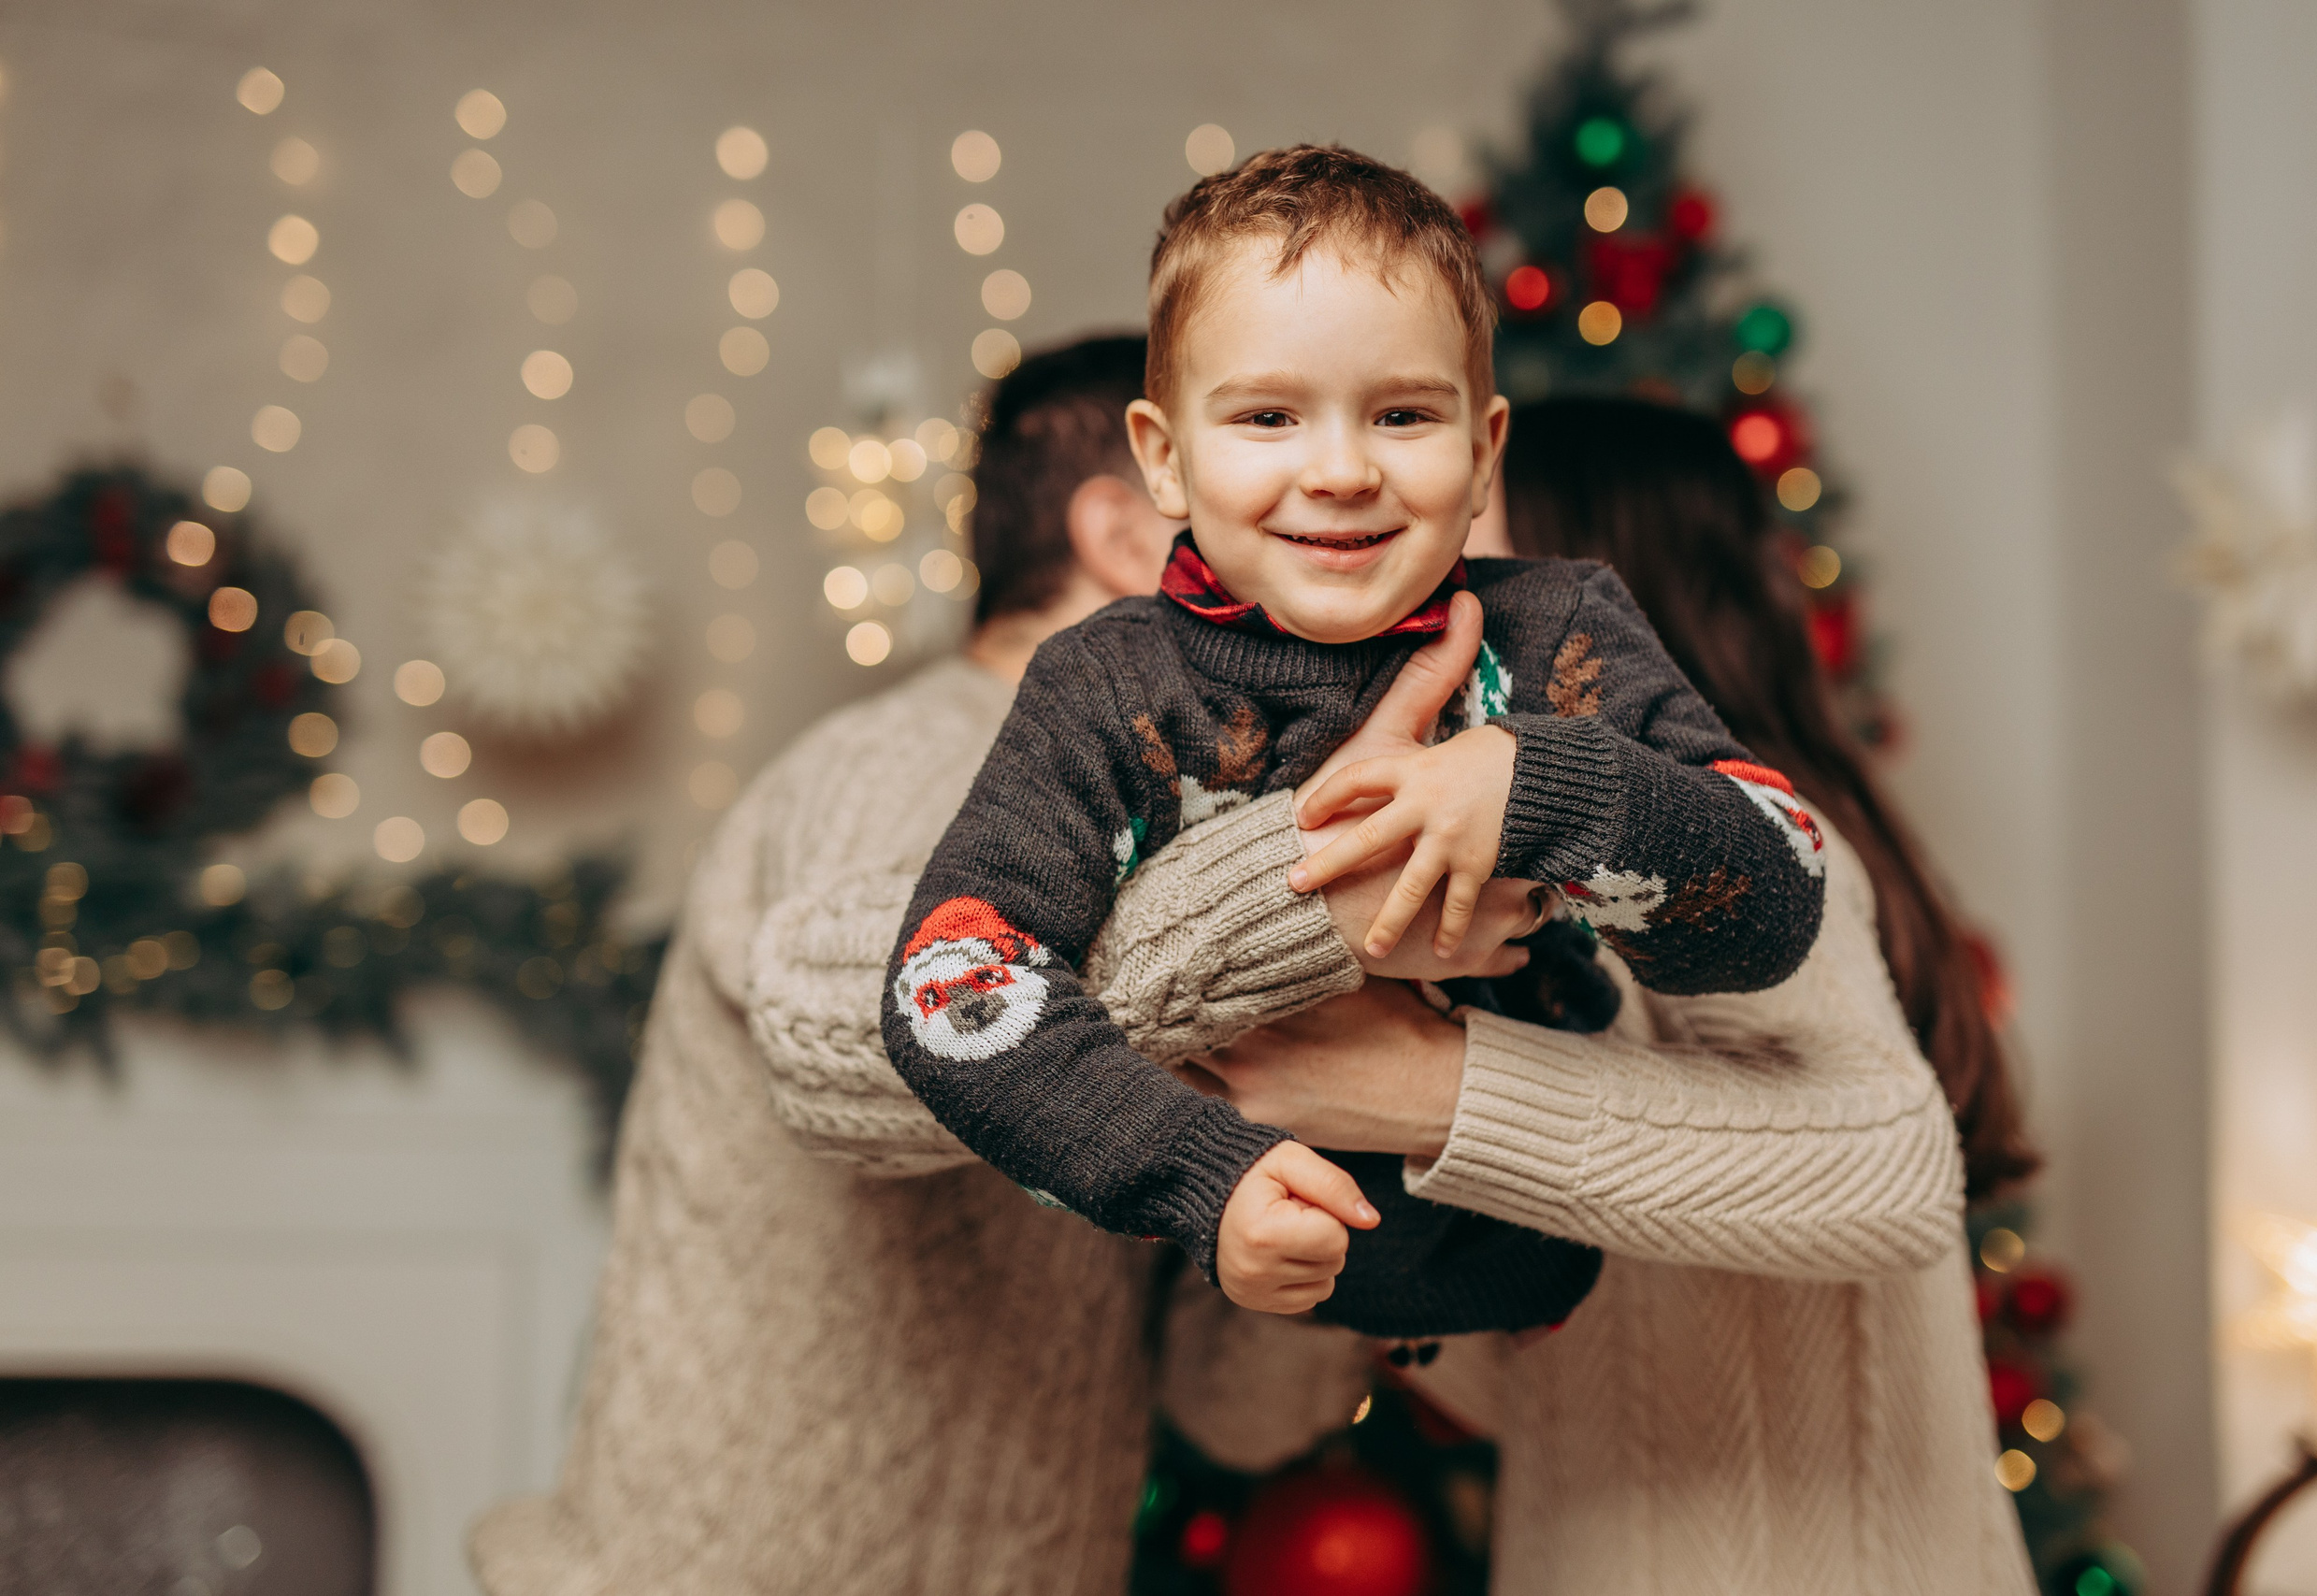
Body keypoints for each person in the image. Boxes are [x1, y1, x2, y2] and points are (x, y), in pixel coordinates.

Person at [467, 334, 1380, 1596]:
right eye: (1260, 500)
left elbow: (1236, 1411)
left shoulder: (1156, 836)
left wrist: (1383, 1119)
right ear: (1128, 537)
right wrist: (1287, 928)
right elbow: (857, 1046)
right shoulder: (920, 762)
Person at [880, 146, 1828, 1337]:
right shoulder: (1107, 685)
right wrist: (1197, 1178)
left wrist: (1535, 784)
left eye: (1402, 414)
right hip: (1239, 1295)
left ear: (1483, 453)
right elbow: (946, 983)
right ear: (1165, 457)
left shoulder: (1558, 633)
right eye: (1268, 416)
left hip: (1552, 1265)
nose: (1339, 470)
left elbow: (1779, 889)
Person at [1188, 396, 2038, 1589]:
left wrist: (1434, 1093)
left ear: (1606, 609)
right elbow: (1493, 1380)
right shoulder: (1490, 910)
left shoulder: (1731, 875)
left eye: (1472, 555)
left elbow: (1894, 1172)